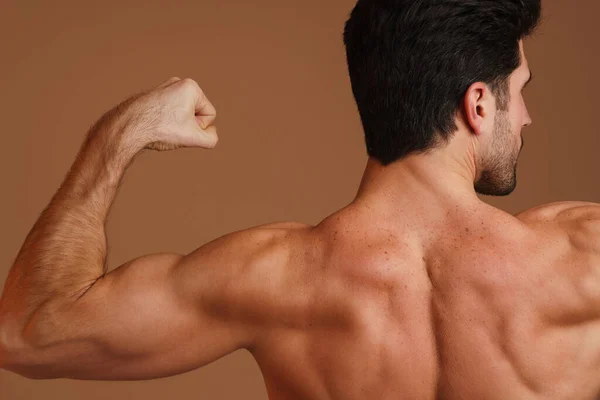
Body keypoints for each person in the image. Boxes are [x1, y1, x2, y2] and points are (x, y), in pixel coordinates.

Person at [0, 0, 598, 398]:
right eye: (519, 92)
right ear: (478, 104)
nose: (526, 117)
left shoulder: (274, 278)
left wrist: (116, 134)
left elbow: (26, 332)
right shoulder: (582, 260)